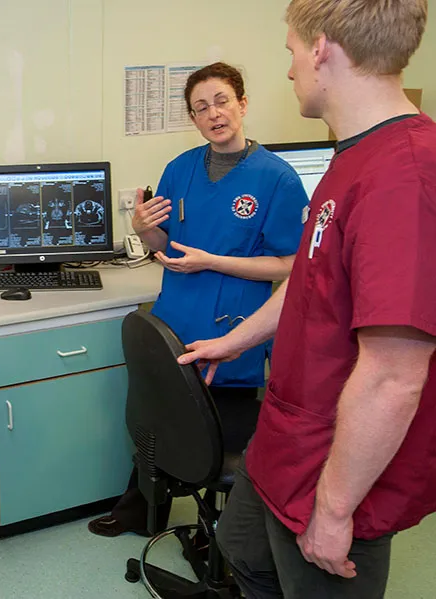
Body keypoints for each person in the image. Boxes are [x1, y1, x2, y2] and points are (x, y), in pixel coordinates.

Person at [179, 1, 436, 597]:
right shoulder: (352, 156)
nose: (290, 70)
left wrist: (336, 509)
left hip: (336, 462)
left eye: (291, 52)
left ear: (321, 47)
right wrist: (234, 340)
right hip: (286, 439)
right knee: (241, 551)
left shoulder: (406, 176)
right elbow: (311, 277)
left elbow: (394, 374)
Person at [88, 62, 308, 539]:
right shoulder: (180, 168)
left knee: (213, 432)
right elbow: (162, 243)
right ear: (193, 118)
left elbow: (292, 266)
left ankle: (226, 535)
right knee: (157, 417)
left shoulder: (277, 179)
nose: (214, 114)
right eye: (201, 108)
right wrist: (141, 226)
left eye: (222, 101)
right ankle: (141, 512)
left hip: (234, 328)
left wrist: (213, 261)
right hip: (176, 318)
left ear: (243, 104)